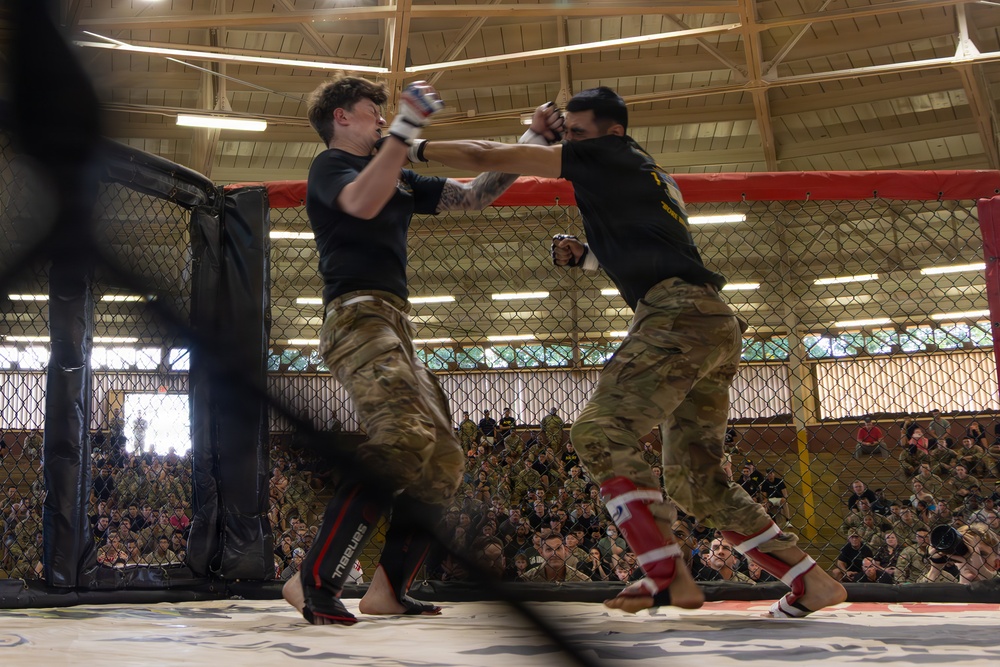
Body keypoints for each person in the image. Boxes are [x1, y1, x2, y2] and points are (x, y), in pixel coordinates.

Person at [417, 86, 846, 617]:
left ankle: (663, 569)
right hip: (710, 322)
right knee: (698, 485)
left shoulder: (608, 154)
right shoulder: (644, 172)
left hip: (677, 317)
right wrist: (588, 258)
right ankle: (811, 582)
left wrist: (410, 146)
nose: (570, 142)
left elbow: (486, 159)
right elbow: (656, 249)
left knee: (598, 429)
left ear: (611, 131)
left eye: (578, 133)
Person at [281, 76, 563, 626]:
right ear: (341, 118)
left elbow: (475, 194)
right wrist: (408, 126)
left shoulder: (400, 175)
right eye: (372, 111)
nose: (381, 119)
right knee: (405, 437)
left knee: (443, 459)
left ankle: (386, 590)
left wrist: (531, 139)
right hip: (356, 316)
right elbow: (361, 203)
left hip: (396, 325)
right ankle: (312, 580)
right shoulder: (331, 167)